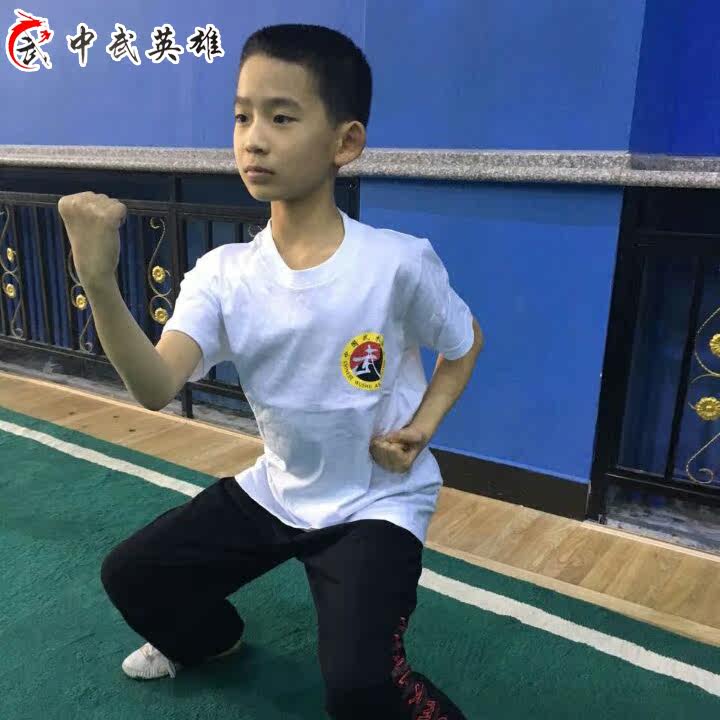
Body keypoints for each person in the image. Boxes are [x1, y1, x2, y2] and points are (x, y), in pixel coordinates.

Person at [58, 23, 483, 720]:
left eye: (281, 118)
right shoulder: (224, 274)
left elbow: (464, 343)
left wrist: (424, 424)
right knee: (131, 575)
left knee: (360, 688)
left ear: (345, 142)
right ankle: (213, 641)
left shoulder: (396, 263)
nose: (253, 139)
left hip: (374, 503)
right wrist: (98, 283)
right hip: (279, 490)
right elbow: (155, 387)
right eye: (242, 116)